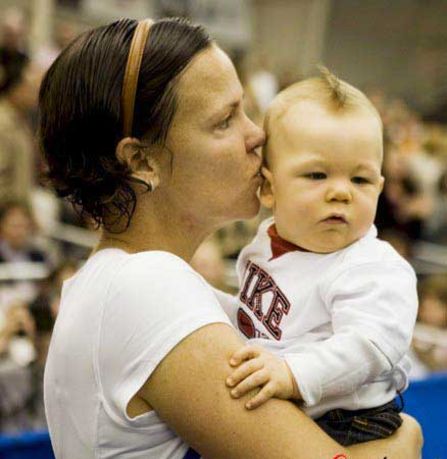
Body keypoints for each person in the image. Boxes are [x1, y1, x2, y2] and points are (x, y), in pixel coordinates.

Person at [39, 17, 422, 458]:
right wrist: (402, 441)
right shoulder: (144, 286)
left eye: (245, 109)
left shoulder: (117, 282)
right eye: (224, 120)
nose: (257, 134)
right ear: (142, 161)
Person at [222, 71, 418, 446]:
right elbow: (252, 315)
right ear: (268, 188)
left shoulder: (373, 267)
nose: (341, 192)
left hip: (346, 422)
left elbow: (369, 346)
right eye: (317, 175)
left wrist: (293, 373)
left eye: (360, 181)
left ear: (379, 186)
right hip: (286, 395)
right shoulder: (268, 241)